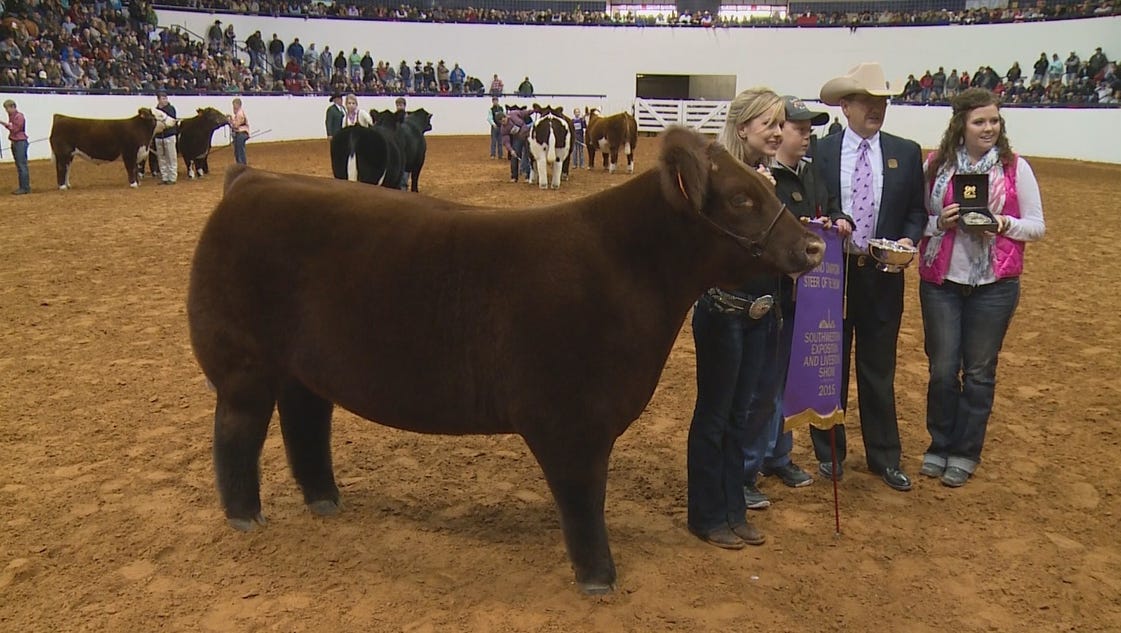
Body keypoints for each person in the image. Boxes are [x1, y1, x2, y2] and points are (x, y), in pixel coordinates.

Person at [917, 88, 1045, 487]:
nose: (988, 128)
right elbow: (918, 220)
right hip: (942, 283)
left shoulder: (1014, 169)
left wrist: (1002, 223)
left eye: (994, 121)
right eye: (980, 121)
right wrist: (942, 221)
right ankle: (939, 443)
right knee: (941, 370)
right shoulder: (936, 166)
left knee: (978, 372)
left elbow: (1037, 226)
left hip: (994, 286)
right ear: (962, 125)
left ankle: (964, 451)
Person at [811, 63, 926, 492]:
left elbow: (916, 210)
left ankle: (884, 456)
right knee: (830, 367)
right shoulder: (820, 152)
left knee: (879, 371)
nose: (876, 108)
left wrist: (908, 240)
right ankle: (830, 453)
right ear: (845, 105)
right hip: (831, 276)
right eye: (866, 101)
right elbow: (815, 203)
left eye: (882, 101)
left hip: (881, 274)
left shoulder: (906, 151)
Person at [686, 87, 784, 549]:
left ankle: (733, 508)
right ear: (742, 128)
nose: (778, 132)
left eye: (780, 124)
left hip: (761, 312)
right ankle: (707, 515)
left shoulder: (774, 180)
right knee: (715, 415)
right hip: (723, 311)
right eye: (769, 123)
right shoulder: (718, 182)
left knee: (740, 416)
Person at [753, 96, 853, 497]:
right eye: (799, 129)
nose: (806, 136)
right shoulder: (764, 178)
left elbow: (833, 209)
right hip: (774, 293)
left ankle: (778, 456)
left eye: (809, 129)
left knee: (789, 380)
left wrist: (839, 221)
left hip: (809, 297)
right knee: (767, 383)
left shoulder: (813, 175)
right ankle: (756, 459)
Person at [2, 99, 29, 194]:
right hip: (17, 142)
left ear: (13, 107)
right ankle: (24, 186)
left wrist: (4, 124)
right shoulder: (14, 116)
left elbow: (15, 129)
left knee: (21, 165)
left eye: (7, 108)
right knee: (20, 165)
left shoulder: (19, 116)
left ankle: (25, 187)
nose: (7, 110)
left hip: (20, 142)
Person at [500, 108, 532, 183]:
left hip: (527, 135)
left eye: (503, 120)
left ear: (506, 117)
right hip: (517, 139)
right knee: (514, 156)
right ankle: (514, 176)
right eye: (501, 122)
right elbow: (506, 141)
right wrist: (511, 150)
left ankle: (529, 175)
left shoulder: (514, 114)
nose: (503, 123)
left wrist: (533, 111)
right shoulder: (503, 129)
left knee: (528, 155)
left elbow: (524, 113)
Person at [154, 91, 178, 185]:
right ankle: (164, 177)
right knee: (161, 157)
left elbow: (171, 122)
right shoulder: (155, 110)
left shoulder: (171, 109)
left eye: (165, 98)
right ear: (158, 99)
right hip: (159, 136)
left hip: (169, 135)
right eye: (163, 98)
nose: (165, 100)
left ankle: (172, 177)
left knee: (171, 157)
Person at [228, 98, 250, 165]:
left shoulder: (239, 114)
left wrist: (229, 121)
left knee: (239, 150)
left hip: (241, 133)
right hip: (241, 133)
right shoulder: (239, 113)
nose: (233, 107)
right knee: (238, 150)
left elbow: (236, 125)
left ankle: (242, 164)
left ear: (238, 105)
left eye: (234, 105)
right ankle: (241, 164)